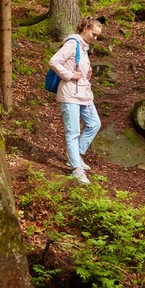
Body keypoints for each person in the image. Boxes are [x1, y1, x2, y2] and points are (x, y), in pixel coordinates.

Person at [49, 16, 102, 183]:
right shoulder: (72, 43)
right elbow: (54, 61)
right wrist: (70, 75)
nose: (95, 38)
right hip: (69, 95)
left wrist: (87, 73)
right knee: (73, 133)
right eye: (94, 34)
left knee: (94, 123)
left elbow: (78, 68)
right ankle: (76, 169)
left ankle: (76, 156)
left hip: (83, 95)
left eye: (97, 35)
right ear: (85, 28)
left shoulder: (83, 47)